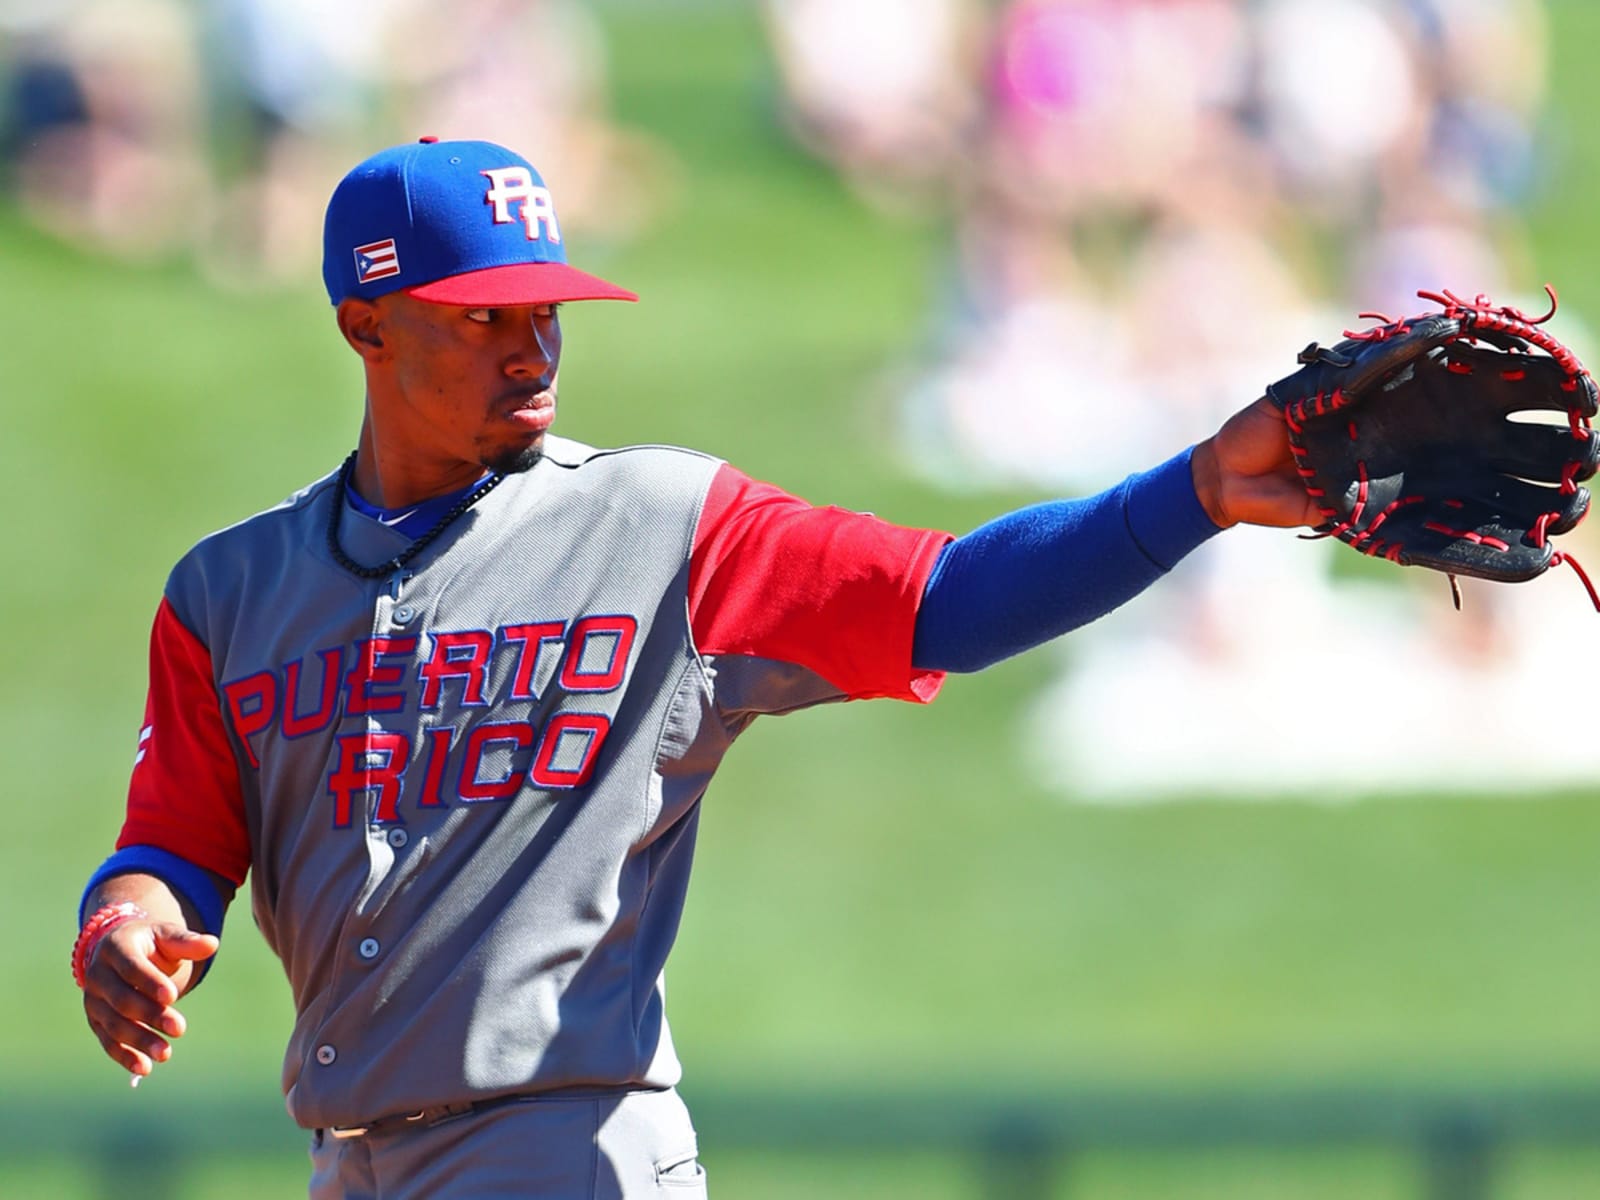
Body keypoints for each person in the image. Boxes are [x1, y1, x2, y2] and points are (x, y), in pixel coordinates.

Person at [73, 136, 1319, 1198]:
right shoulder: (227, 597)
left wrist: (1194, 492)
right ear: (364, 325)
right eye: (483, 317)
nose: (532, 347)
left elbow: (949, 597)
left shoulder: (663, 526)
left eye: (544, 309)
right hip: (347, 1166)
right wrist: (125, 929)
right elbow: (175, 851)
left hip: (568, 1147)